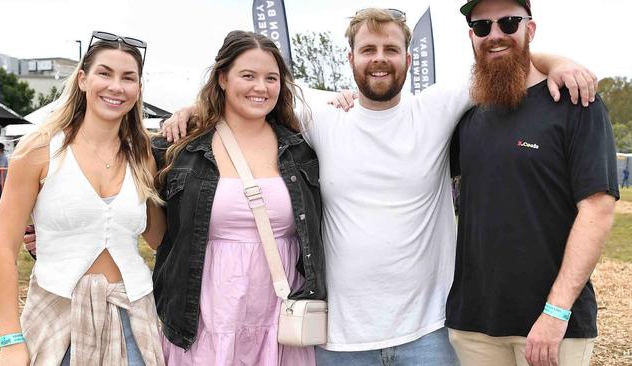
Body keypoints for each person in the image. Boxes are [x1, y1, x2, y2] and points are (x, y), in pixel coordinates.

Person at [161, 8, 599, 366]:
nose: (380, 58)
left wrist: (558, 62)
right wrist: (192, 112)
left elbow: (502, 53)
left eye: (392, 48)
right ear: (349, 58)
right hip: (339, 339)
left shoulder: (436, 108)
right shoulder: (320, 114)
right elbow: (249, 95)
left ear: (409, 59)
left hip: (430, 335)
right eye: (368, 49)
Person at [445, 1, 619, 366]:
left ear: (531, 29)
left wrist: (556, 313)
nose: (495, 35)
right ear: (471, 37)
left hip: (552, 328)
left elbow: (598, 209)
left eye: (509, 23)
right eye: (482, 27)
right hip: (474, 327)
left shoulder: (576, 103)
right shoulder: (467, 117)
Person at [0, 31, 166, 366]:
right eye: (105, 73)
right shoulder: (39, 150)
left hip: (133, 318)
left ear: (138, 88)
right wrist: (10, 339)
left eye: (128, 78)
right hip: (57, 317)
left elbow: (160, 239)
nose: (116, 86)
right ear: (83, 79)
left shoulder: (144, 154)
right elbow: (1, 249)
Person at [152, 30, 325, 366]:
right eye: (248, 75)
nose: (260, 87)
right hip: (203, 319)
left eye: (271, 78)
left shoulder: (302, 148)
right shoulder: (181, 149)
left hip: (280, 319)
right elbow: (127, 209)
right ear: (222, 78)